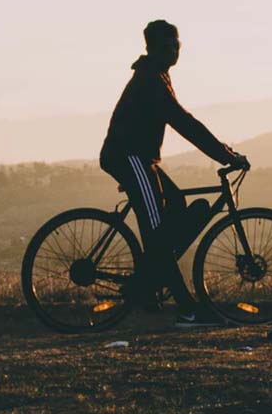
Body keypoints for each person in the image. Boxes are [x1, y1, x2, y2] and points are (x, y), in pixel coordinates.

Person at [100, 19, 249, 328]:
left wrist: (224, 153)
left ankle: (150, 279)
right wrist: (226, 155)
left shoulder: (157, 76)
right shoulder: (152, 80)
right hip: (130, 158)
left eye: (177, 44)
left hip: (141, 160)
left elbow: (183, 121)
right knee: (157, 235)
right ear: (152, 48)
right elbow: (185, 123)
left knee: (178, 204)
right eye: (168, 45)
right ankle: (187, 309)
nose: (174, 49)